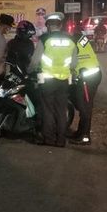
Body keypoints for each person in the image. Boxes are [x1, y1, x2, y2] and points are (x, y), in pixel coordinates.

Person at [28, 12, 77, 147]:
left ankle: (48, 139)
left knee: (47, 110)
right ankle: (61, 140)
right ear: (60, 25)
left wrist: (29, 71)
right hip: (64, 81)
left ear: (48, 25)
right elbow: (73, 64)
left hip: (48, 81)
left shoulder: (44, 39)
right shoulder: (70, 40)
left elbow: (35, 61)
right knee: (61, 111)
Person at [68, 29, 102, 145]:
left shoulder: (72, 43)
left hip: (87, 78)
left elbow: (71, 63)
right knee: (84, 106)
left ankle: (85, 137)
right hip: (91, 76)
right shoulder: (81, 38)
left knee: (85, 108)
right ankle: (80, 132)